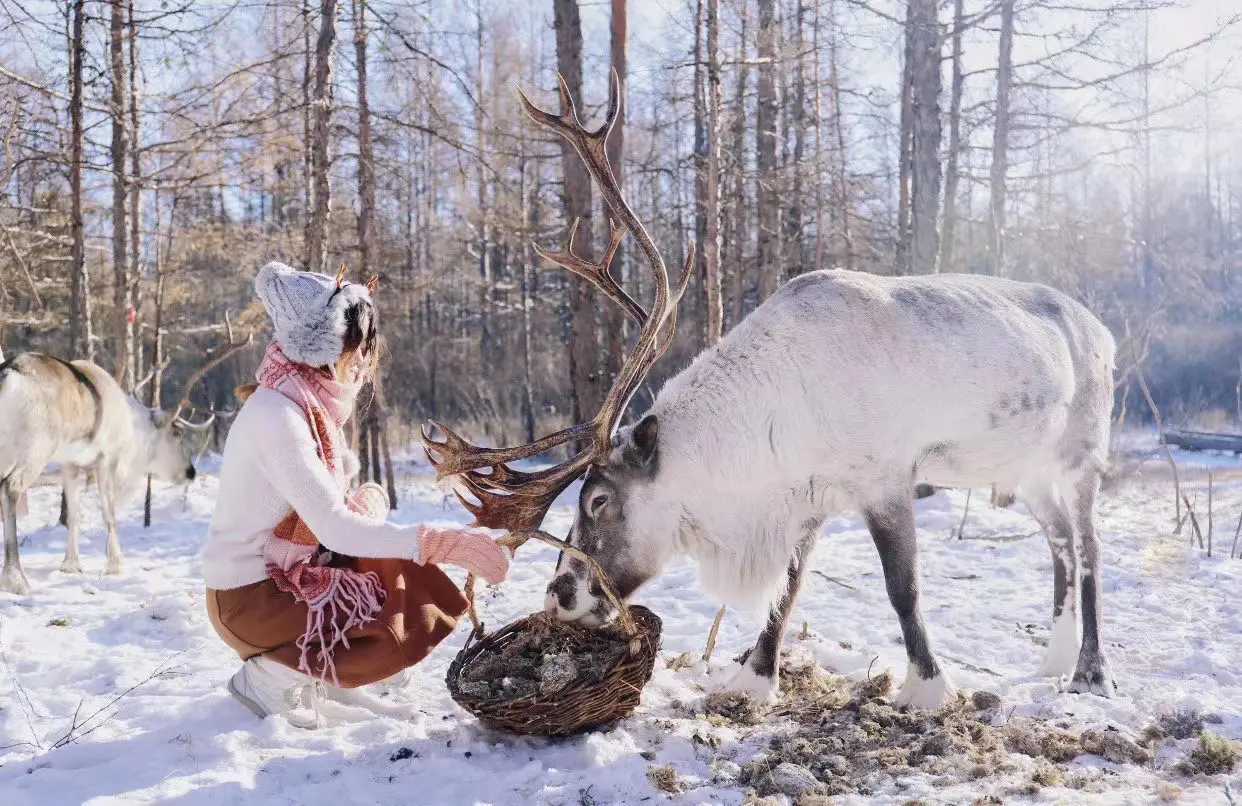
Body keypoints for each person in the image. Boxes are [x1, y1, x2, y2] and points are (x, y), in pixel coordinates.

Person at [203, 261, 508, 728]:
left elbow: (329, 511)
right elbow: (333, 528)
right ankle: (269, 677)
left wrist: (366, 502)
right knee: (396, 607)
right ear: (326, 348)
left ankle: (319, 678)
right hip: (249, 600)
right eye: (359, 349)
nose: (365, 362)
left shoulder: (307, 403)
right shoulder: (278, 416)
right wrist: (445, 543)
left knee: (401, 573)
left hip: (282, 578)